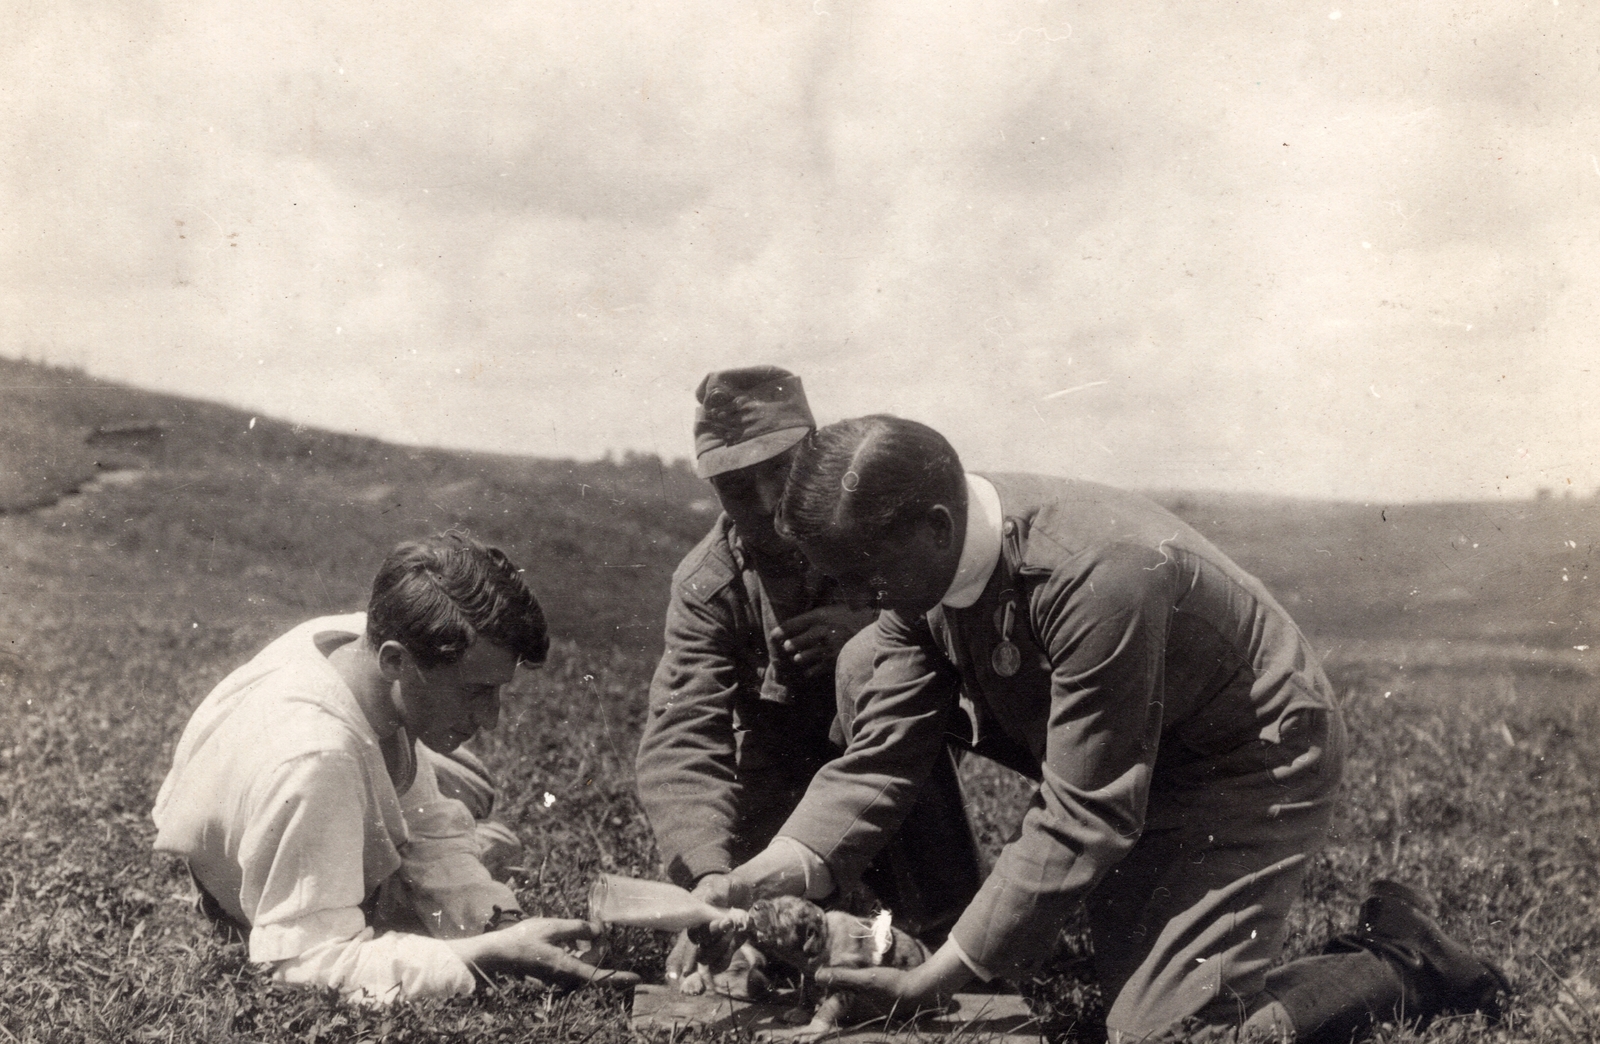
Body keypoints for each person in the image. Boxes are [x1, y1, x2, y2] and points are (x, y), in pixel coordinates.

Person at [705, 416, 1509, 1042]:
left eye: (865, 576)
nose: (856, 596)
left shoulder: (1101, 575)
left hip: (1240, 764)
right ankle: (969, 932)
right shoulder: (918, 572)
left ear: (937, 528)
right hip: (1124, 754)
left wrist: (937, 980)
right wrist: (772, 872)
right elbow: (883, 756)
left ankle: (1401, 959)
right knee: (863, 669)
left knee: (1173, 1035)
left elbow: (1087, 812)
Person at [153, 531, 638, 1004]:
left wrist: (501, 923)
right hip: (255, 883)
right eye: (476, 691)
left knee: (469, 787)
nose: (491, 719)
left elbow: (429, 829)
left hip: (299, 788)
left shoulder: (355, 643)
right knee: (491, 835)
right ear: (395, 662)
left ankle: (465, 844)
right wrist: (484, 955)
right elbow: (302, 966)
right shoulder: (319, 759)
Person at [635, 369, 982, 995]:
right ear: (713, 490)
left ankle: (949, 930)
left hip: (895, 759)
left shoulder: (883, 530)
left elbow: (952, 644)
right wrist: (709, 876)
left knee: (944, 937)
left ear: (816, 453)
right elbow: (684, 735)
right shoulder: (707, 586)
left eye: (781, 468)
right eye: (738, 486)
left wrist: (872, 626)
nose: (767, 500)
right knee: (753, 935)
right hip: (780, 779)